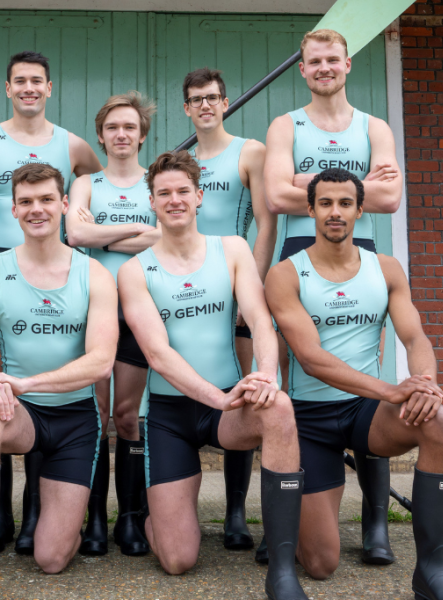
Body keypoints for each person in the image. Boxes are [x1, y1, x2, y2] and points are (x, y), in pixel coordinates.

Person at [265, 168, 443, 600]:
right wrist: (394, 390)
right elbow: (311, 359)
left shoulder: (386, 268)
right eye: (324, 204)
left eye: (343, 204)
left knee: (437, 420)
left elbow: (415, 338)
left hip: (366, 412)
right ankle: (289, 520)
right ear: (310, 210)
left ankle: (433, 574)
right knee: (321, 564)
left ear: (359, 210)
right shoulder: (285, 274)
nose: (334, 213)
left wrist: (425, 383)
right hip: (310, 418)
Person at [117, 151, 307, 600]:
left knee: (277, 407)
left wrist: (263, 376)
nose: (175, 199)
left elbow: (259, 321)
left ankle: (281, 566)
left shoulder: (232, 249)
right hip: (171, 414)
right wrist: (216, 399)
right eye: (164, 193)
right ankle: (156, 518)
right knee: (178, 560)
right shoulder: (134, 270)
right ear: (152, 203)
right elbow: (158, 355)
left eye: (183, 191)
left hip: (230, 404)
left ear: (199, 196)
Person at [0, 163, 117, 599]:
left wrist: (23, 383)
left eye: (47, 200)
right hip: (19, 414)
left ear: (65, 205)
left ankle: (59, 518)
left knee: (51, 559)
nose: (37, 209)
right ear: (13, 210)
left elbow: (101, 362)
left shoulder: (93, 273)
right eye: (27, 202)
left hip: (75, 421)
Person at [0, 51, 103, 554]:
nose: (29, 88)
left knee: (42, 390)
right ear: (8, 88)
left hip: (56, 267)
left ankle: (43, 508)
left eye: (38, 81)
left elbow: (94, 191)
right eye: (20, 81)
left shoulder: (73, 145)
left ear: (50, 88)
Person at [263, 28, 402, 566]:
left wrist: (306, 181)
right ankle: (292, 516)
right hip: (301, 254)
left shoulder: (375, 126)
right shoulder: (286, 125)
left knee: (369, 384)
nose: (324, 68)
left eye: (332, 60)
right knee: (300, 380)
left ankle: (375, 525)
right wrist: (357, 181)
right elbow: (275, 195)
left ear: (348, 66)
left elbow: (390, 197)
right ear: (303, 69)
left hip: (358, 258)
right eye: (314, 61)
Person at [181, 67, 277, 552]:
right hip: (191, 293)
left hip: (235, 289)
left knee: (241, 397)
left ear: (226, 102)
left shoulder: (250, 151)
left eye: (213, 97)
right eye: (196, 99)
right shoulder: (179, 161)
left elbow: (264, 223)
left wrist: (249, 291)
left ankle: (237, 514)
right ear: (187, 107)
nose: (205, 105)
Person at [65, 91, 159, 557]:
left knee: (127, 417)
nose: (121, 135)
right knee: (97, 418)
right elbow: (75, 234)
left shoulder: (157, 183)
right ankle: (95, 519)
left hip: (140, 310)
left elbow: (170, 236)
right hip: (94, 311)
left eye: (130, 127)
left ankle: (131, 518)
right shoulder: (85, 183)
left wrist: (105, 231)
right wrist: (137, 234)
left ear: (142, 135)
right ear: (100, 135)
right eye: (112, 128)